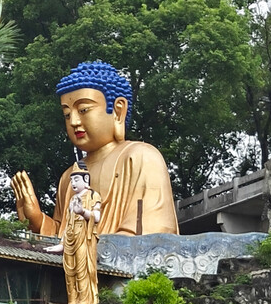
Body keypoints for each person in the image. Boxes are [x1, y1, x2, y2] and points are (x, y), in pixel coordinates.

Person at [11, 61, 179, 237]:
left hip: (119, 255)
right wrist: (38, 221)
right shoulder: (69, 177)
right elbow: (63, 236)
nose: (73, 121)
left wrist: (96, 247)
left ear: (118, 111)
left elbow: (155, 233)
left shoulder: (142, 158)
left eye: (83, 110)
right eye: (67, 115)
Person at [45, 160, 101, 304]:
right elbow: (67, 223)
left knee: (82, 269)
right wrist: (61, 244)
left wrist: (82, 212)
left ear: (86, 179)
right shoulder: (72, 199)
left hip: (84, 236)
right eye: (71, 180)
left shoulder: (93, 195)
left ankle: (84, 300)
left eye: (76, 179)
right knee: (70, 271)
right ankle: (72, 300)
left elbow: (97, 217)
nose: (73, 183)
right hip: (70, 237)